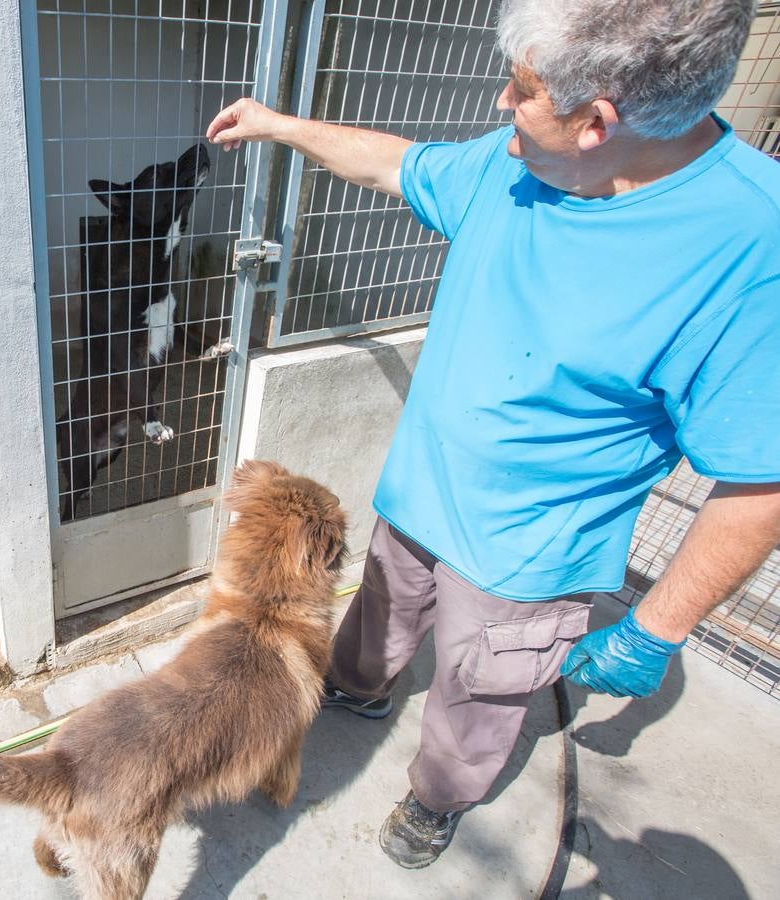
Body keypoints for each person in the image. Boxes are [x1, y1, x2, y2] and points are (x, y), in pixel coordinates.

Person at [206, 0, 780, 869]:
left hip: (526, 561)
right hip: (417, 497)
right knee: (376, 617)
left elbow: (760, 480)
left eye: (522, 89)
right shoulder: (518, 162)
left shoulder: (750, 249)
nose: (500, 107)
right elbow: (398, 165)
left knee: (475, 703)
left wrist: (655, 628)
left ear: (598, 121)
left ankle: (438, 797)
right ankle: (358, 689)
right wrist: (280, 125)